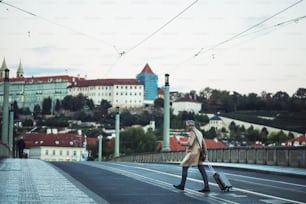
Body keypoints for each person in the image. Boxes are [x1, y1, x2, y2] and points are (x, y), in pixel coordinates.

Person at [173, 120, 210, 192]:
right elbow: (204, 144)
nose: (186, 127)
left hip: (192, 153)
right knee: (202, 169)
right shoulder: (199, 132)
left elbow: (190, 143)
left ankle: (182, 185)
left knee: (184, 166)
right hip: (199, 153)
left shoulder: (192, 132)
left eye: (187, 126)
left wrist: (181, 143)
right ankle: (207, 186)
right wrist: (205, 154)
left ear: (190, 125)